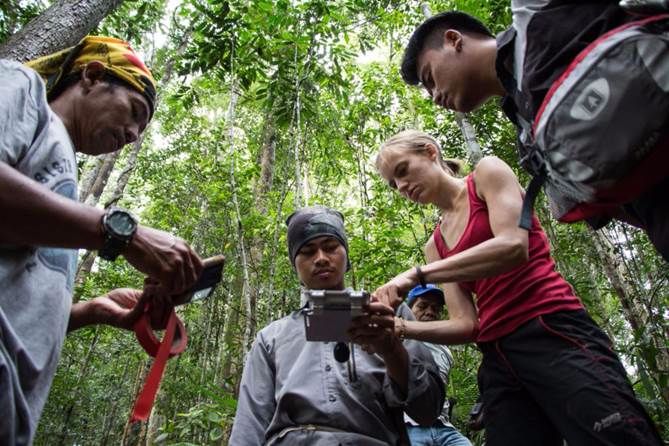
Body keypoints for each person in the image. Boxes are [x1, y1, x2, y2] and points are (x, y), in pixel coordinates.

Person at [373, 130, 663, 446]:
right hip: (498, 358)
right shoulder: (436, 245)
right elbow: (466, 325)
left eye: (402, 170)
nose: (402, 186)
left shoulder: (486, 174)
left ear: (430, 152)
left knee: (615, 435)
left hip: (551, 330)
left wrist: (416, 276)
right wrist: (400, 327)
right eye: (393, 183)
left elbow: (512, 245)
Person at [0, 36, 203, 444]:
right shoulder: (20, 86)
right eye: (134, 112)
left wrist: (90, 311)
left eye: (140, 129)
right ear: (92, 76)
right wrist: (123, 235)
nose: (132, 134)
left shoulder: (63, 186)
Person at [398, 7, 669, 261]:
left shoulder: (542, 17)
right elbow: (611, 203)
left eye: (430, 78)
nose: (435, 97)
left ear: (454, 39)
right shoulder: (529, 144)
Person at [229, 206, 444, 445]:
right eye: (307, 251)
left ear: (346, 255)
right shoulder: (272, 338)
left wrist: (391, 349)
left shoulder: (389, 314)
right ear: (295, 265)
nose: (320, 258)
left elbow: (428, 411)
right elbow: (250, 426)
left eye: (330, 247)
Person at [403, 284, 472, 446]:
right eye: (422, 306)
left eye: (435, 308)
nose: (430, 312)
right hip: (408, 426)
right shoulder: (397, 341)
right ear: (408, 309)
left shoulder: (445, 349)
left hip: (444, 427)